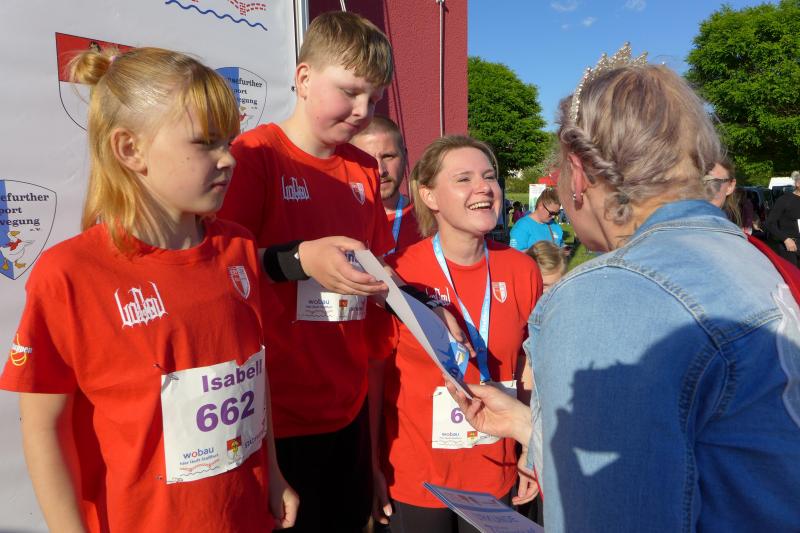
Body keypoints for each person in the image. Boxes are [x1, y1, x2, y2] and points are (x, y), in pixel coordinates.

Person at [450, 45, 800, 531]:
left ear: (578, 172)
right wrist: (528, 424)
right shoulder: (746, 256)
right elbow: (715, 450)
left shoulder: (612, 292)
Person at [0, 47, 298, 532]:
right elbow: (43, 427)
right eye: (205, 142)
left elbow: (251, 373)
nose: (228, 158)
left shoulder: (238, 248)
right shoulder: (70, 274)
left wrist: (275, 475)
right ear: (130, 150)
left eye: (228, 140)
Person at [217, 12, 395, 532]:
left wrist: (416, 303)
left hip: (347, 407)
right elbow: (222, 268)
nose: (362, 111)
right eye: (350, 92)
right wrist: (299, 260)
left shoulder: (363, 168)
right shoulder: (255, 156)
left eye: (375, 99)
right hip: (275, 418)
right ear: (303, 78)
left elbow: (377, 265)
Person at [369, 136, 543, 532]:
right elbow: (376, 373)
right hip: (417, 477)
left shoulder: (522, 269)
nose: (484, 188)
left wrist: (529, 449)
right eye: (464, 179)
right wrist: (372, 462)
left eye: (489, 177)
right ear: (429, 195)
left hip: (495, 470)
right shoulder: (398, 275)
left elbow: (526, 364)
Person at [351, 115, 421, 253]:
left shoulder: (429, 222)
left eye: (388, 156)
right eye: (367, 159)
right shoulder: (339, 224)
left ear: (404, 156)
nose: (381, 170)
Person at [767, 170, 800, 266]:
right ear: (798, 183)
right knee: (792, 274)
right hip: (789, 247)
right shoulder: (784, 200)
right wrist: (785, 239)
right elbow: (770, 223)